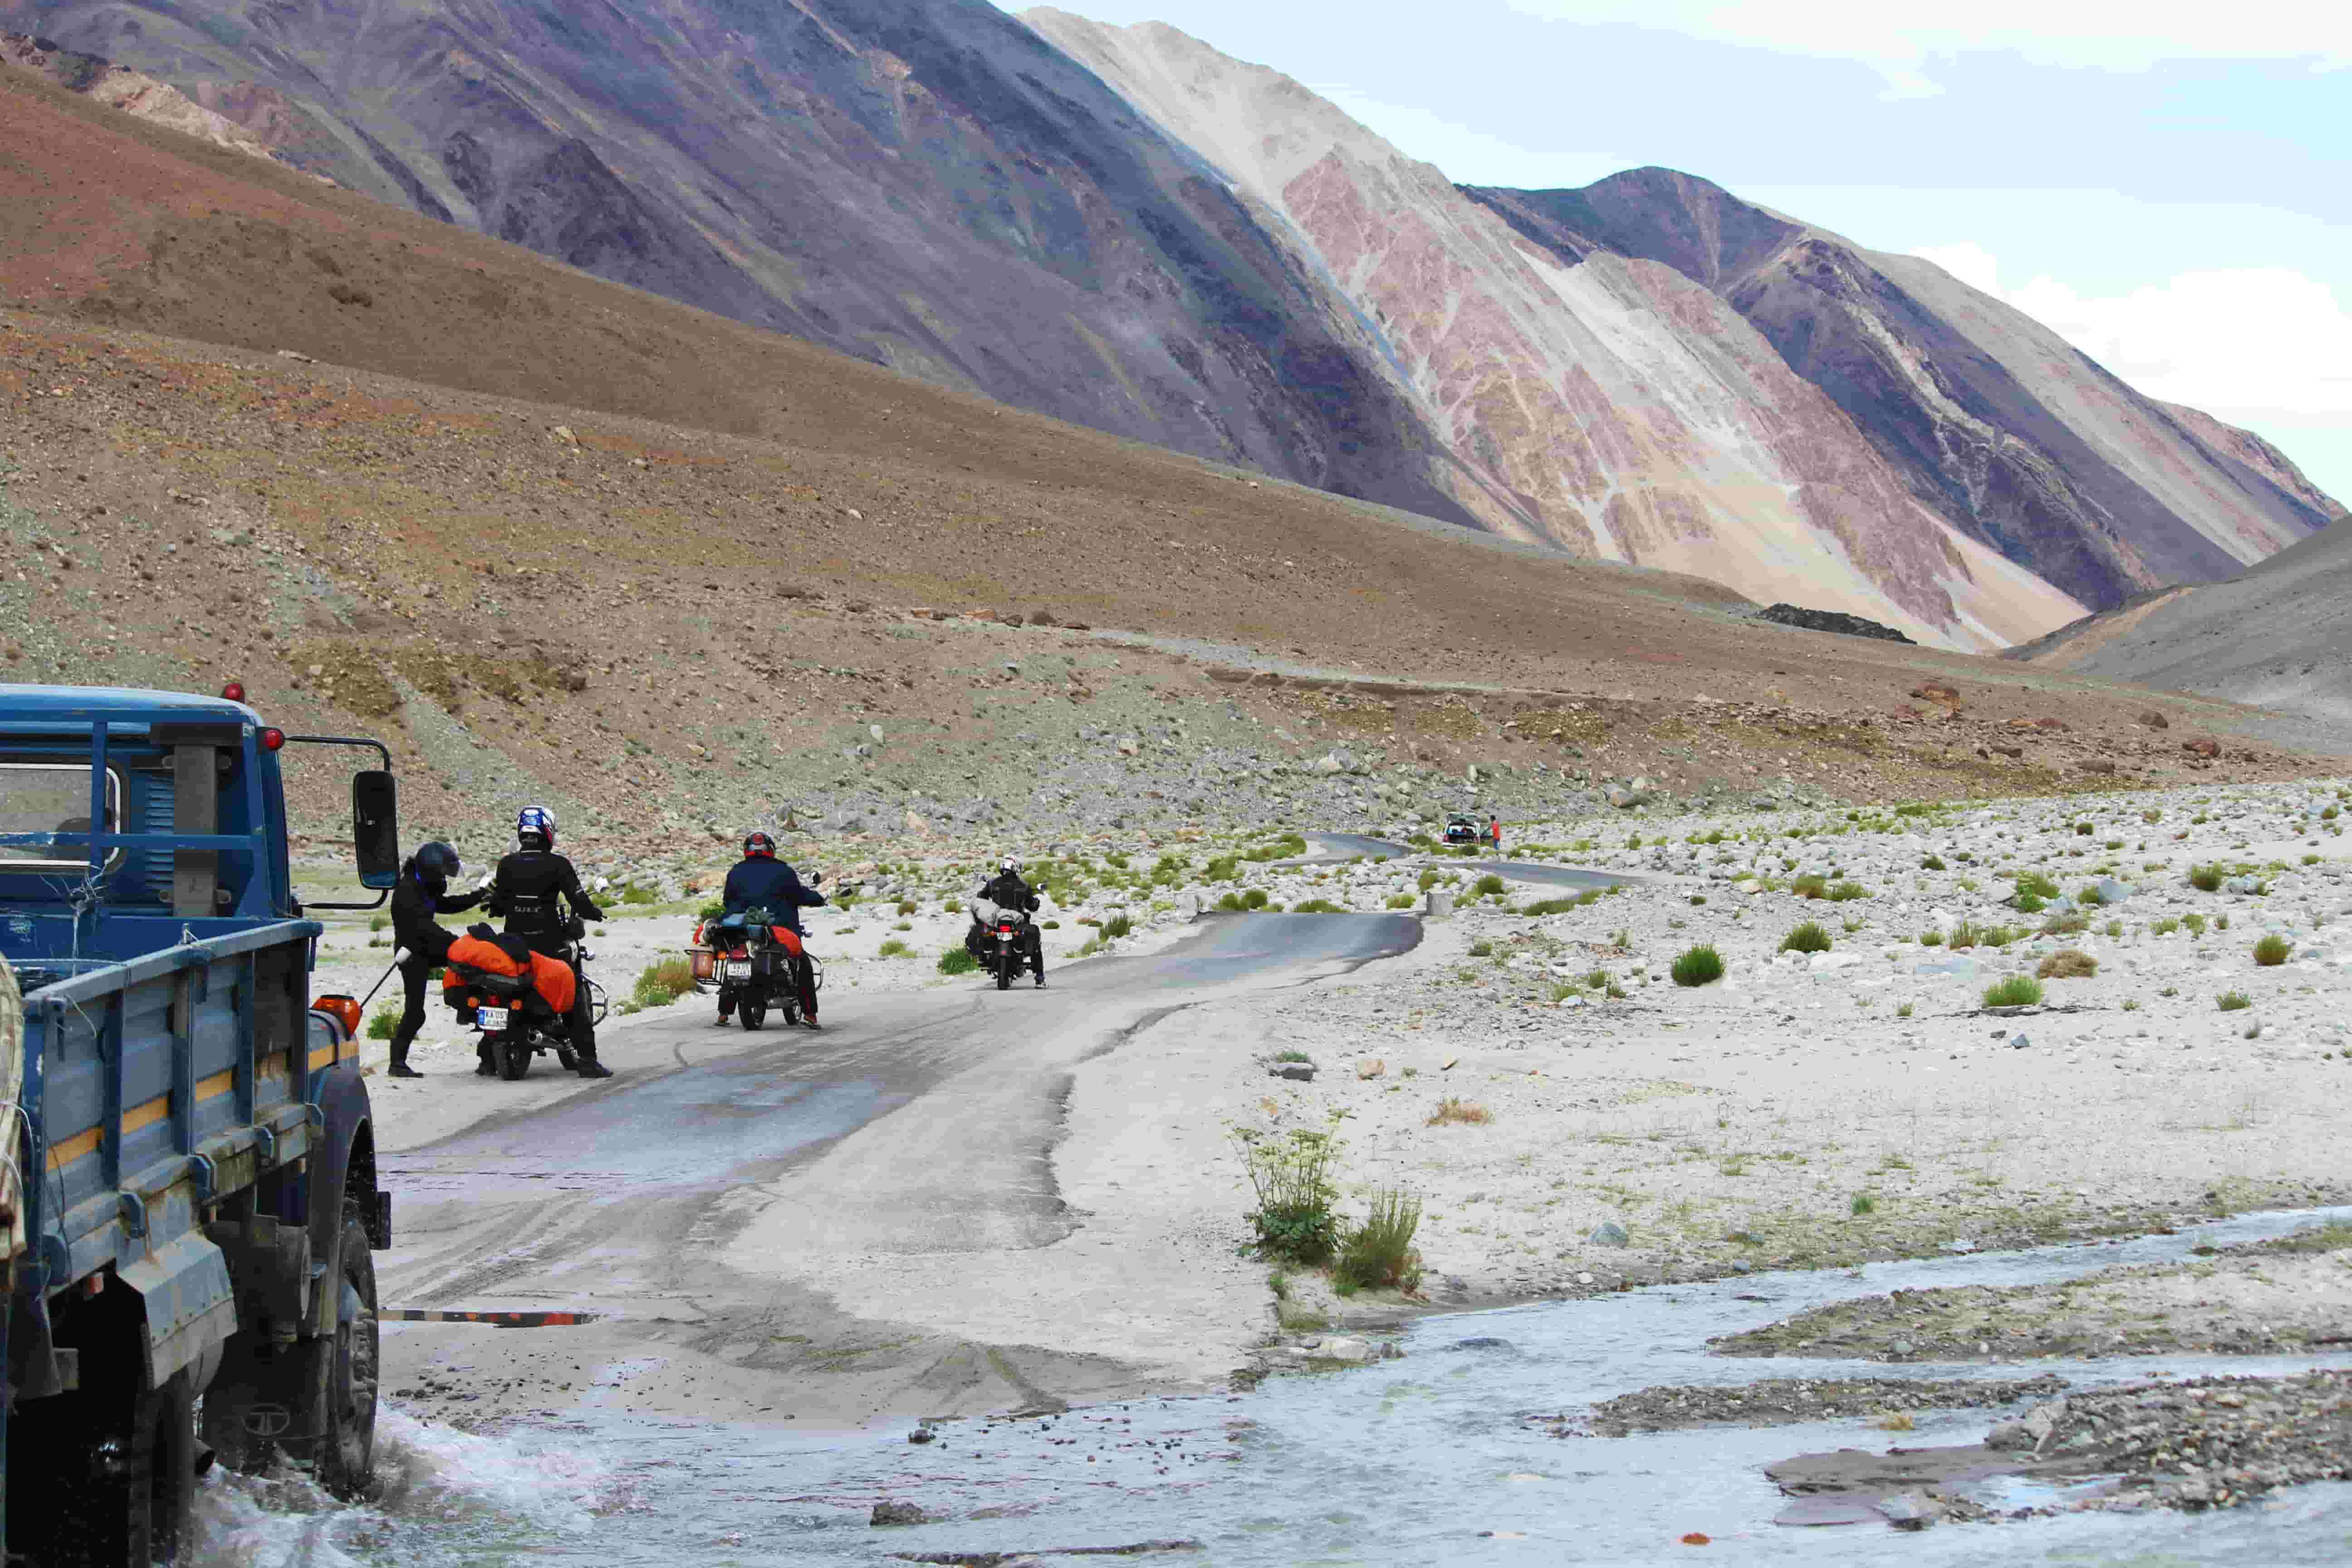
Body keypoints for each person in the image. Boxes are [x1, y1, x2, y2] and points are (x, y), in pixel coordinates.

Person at [485, 805, 611, 1077]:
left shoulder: (506, 864)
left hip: (513, 944)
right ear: (548, 832)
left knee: (497, 988)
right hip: (550, 943)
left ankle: (486, 1059)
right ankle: (588, 1061)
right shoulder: (558, 865)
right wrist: (595, 913)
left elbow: (497, 904)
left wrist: (499, 907)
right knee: (574, 993)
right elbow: (579, 899)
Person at [385, 841, 483, 1077]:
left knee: (474, 970)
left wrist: (478, 897)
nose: (445, 881)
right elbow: (425, 929)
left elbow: (445, 905)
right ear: (432, 871)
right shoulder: (408, 891)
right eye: (443, 874)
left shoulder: (422, 886)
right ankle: (397, 1064)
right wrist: (457, 943)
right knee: (416, 1012)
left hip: (426, 945)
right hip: (413, 953)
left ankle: (476, 1018)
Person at [719, 830, 827, 1029]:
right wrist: (819, 899)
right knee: (802, 962)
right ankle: (811, 1015)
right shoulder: (783, 871)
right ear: (770, 849)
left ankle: (723, 1014)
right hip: (778, 931)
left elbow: (727, 901)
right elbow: (800, 895)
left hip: (741, 930)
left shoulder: (736, 872)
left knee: (736, 957)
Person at [969, 857, 1045, 987]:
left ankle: (986, 955)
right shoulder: (1023, 885)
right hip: (1017, 922)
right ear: (1015, 868)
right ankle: (1039, 978)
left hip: (997, 920)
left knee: (981, 929)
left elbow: (981, 898)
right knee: (1036, 944)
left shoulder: (993, 883)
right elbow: (1032, 906)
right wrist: (1036, 901)